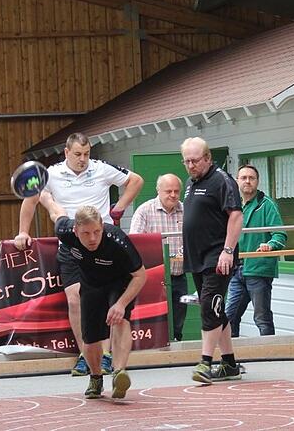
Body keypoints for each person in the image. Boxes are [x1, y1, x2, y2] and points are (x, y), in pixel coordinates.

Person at [13, 132, 144, 376]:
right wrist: (22, 232)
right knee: (75, 299)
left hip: (101, 242)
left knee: (105, 300)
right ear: (66, 153)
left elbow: (135, 181)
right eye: (77, 154)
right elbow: (31, 200)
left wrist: (119, 209)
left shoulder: (101, 168)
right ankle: (86, 354)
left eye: (86, 154)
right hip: (72, 243)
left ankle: (105, 356)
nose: (83, 159)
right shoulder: (51, 173)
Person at [41, 200, 146, 400]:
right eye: (86, 233)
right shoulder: (64, 231)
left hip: (120, 282)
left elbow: (141, 276)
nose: (92, 238)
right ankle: (96, 378)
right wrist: (44, 197)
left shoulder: (117, 239)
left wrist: (121, 304)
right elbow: (56, 212)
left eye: (97, 232)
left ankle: (119, 373)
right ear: (75, 230)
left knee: (120, 319)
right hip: (91, 284)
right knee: (90, 339)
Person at [180, 137, 243, 384]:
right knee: (215, 308)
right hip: (197, 256)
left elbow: (236, 215)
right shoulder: (190, 182)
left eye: (195, 160)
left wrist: (228, 250)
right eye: (186, 161)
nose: (191, 165)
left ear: (207, 158)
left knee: (209, 305)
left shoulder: (222, 180)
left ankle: (205, 362)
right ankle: (229, 364)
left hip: (217, 257)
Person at [225, 165, 286, 337]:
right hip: (236, 270)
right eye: (243, 178)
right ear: (237, 181)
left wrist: (270, 245)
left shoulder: (267, 205)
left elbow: (280, 235)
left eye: (251, 178)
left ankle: (270, 357)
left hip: (258, 269)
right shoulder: (233, 206)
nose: (247, 181)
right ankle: (231, 358)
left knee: (262, 317)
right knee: (230, 317)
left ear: (258, 181)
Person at [129, 174, 187, 341]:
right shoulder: (144, 211)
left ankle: (176, 345)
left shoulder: (186, 210)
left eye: (177, 191)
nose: (173, 195)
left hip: (178, 275)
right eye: (168, 191)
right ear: (158, 190)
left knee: (178, 317)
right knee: (155, 317)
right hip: (153, 277)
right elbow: (135, 242)